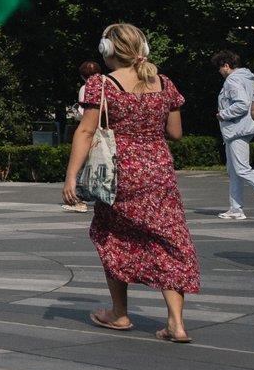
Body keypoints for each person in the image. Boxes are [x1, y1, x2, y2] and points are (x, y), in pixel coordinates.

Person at [62, 22, 199, 342]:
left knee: (111, 234)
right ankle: (176, 323)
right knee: (169, 241)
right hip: (160, 175)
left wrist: (71, 177)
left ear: (107, 50)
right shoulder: (164, 82)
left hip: (120, 177)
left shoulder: (102, 84)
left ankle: (119, 313)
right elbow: (176, 134)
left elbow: (85, 131)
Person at [213, 50, 254, 220]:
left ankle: (237, 208)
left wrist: (223, 114)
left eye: (219, 68)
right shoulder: (248, 78)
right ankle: (235, 208)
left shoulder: (232, 80)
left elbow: (242, 103)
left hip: (237, 129)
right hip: (243, 128)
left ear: (226, 65)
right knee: (234, 170)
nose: (219, 72)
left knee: (242, 169)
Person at [65, 61, 103, 212]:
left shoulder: (86, 88)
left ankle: (78, 199)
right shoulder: (108, 85)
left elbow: (85, 114)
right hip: (106, 132)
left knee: (83, 164)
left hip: (91, 132)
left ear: (82, 76)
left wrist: (75, 114)